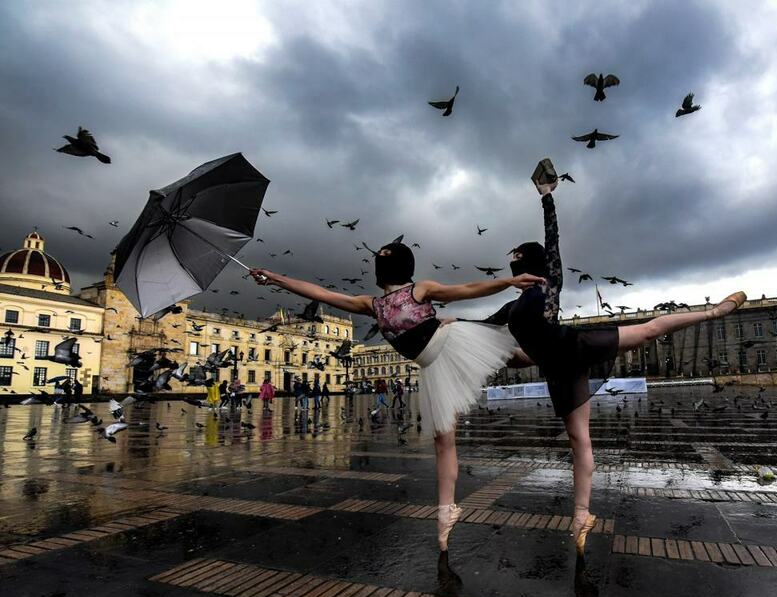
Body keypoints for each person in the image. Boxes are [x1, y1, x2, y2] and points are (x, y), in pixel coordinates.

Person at [485, 159, 746, 554]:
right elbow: (484, 325)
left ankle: (715, 311)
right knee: (578, 440)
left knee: (647, 330)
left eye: (519, 260)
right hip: (555, 366)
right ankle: (581, 514)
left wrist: (547, 200)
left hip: (572, 348)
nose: (514, 264)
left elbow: (552, 242)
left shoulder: (547, 285)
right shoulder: (513, 306)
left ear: (531, 266)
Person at [251, 242, 542, 551]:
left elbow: (467, 288)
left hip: (446, 347)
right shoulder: (395, 296)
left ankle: (446, 512)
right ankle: (445, 515)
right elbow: (319, 294)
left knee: (452, 434)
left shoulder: (379, 302)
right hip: (437, 360)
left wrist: (275, 278)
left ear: (379, 271)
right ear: (408, 267)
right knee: (506, 362)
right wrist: (275, 279)